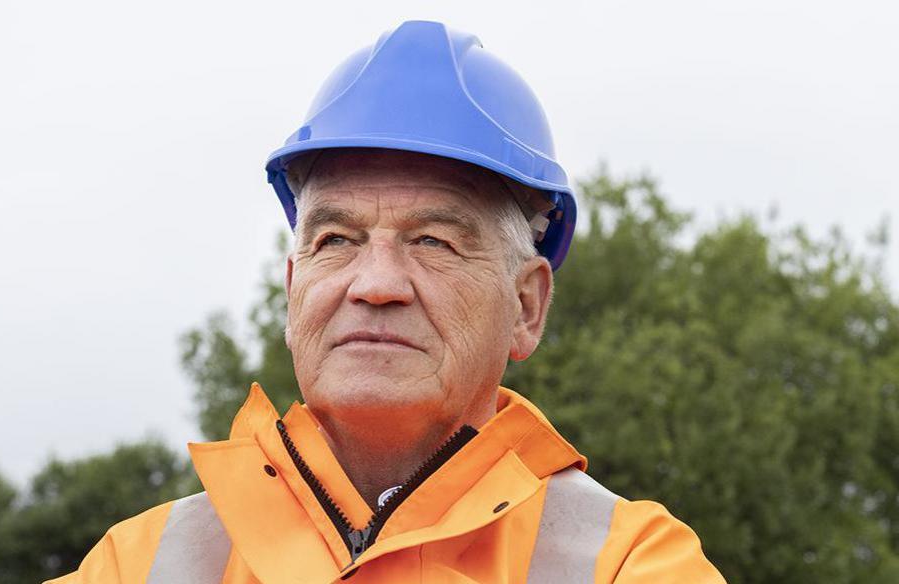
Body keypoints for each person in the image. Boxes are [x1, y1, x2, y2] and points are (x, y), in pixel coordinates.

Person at [48, 20, 725, 583]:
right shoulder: (136, 564)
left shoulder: (629, 564)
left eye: (432, 241)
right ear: (294, 289)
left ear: (526, 307)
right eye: (337, 239)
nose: (374, 285)